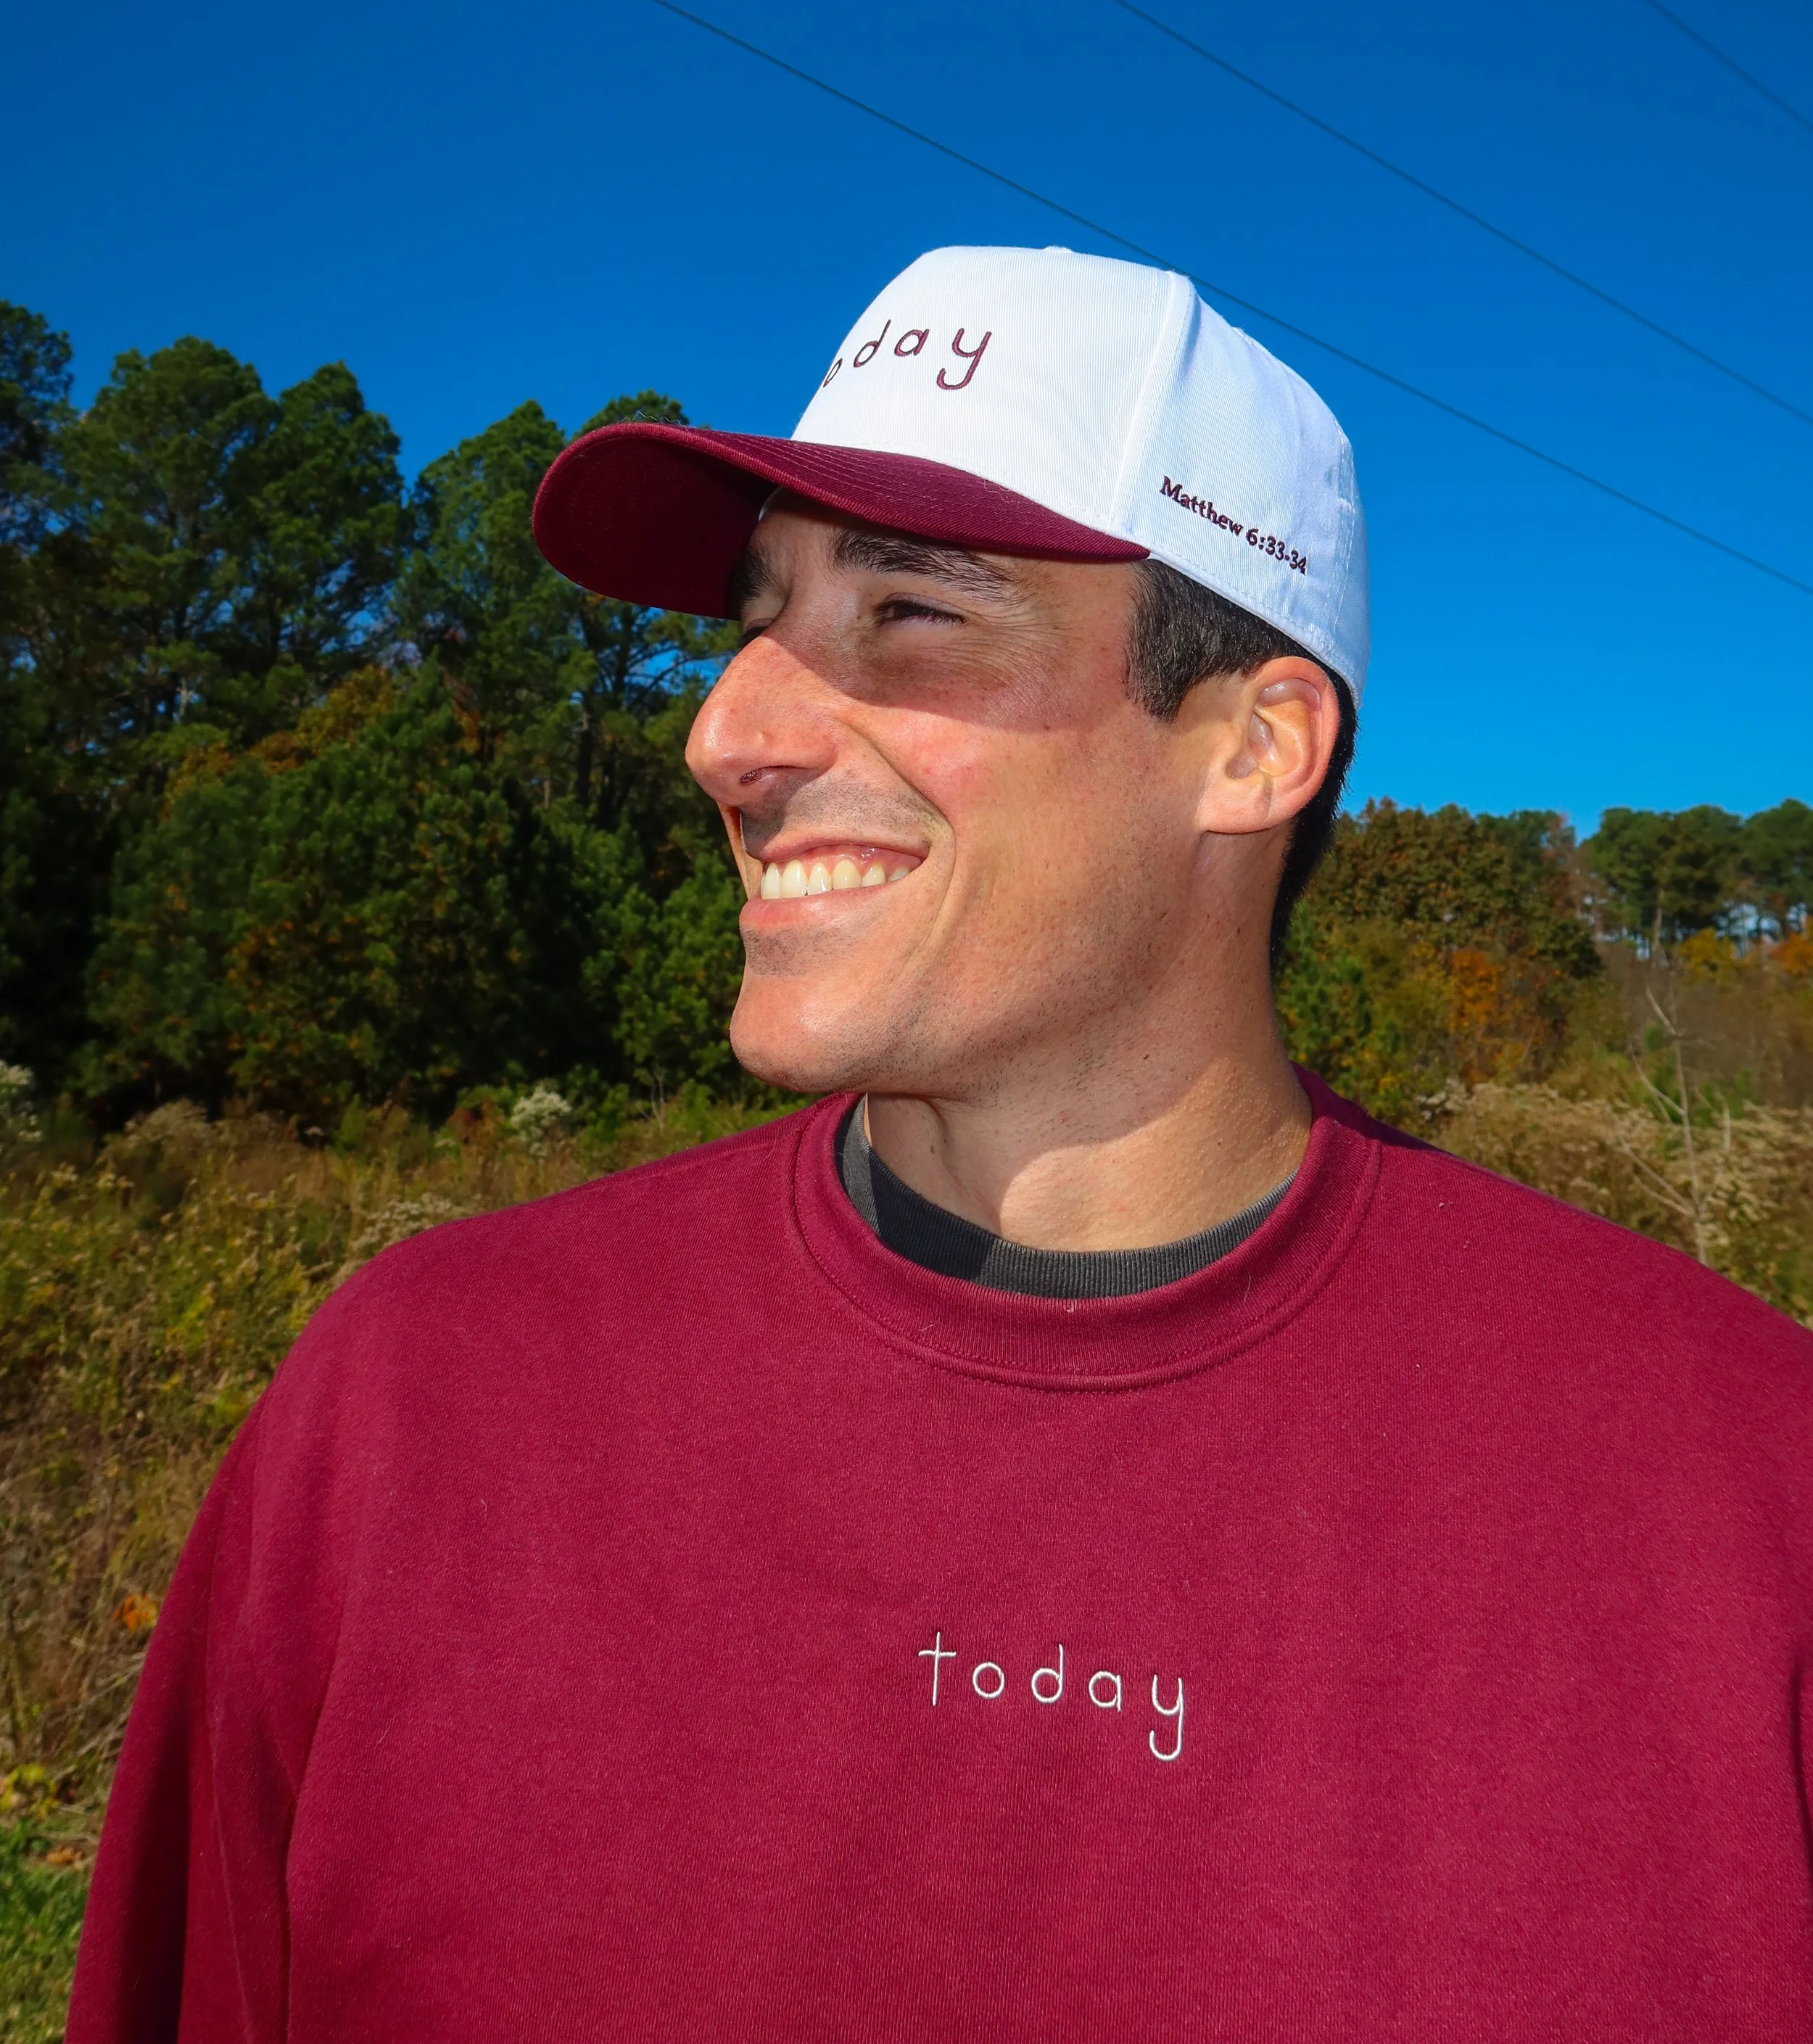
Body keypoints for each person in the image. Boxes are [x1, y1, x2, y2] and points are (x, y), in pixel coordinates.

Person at [69, 244, 1813, 2042]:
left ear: (1249, 745)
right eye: (752, 622)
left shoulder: (1745, 1501)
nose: (724, 736)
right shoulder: (412, 1404)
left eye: (909, 617)